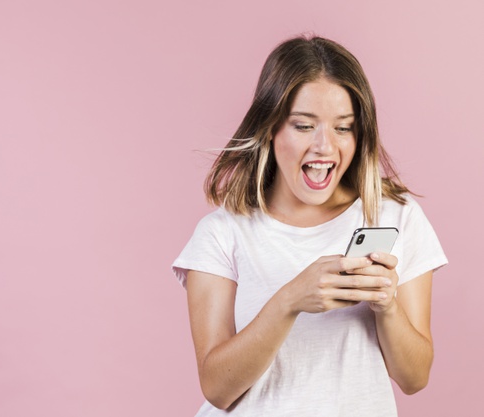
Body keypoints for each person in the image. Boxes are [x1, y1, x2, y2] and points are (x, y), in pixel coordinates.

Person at [172, 35, 447, 417]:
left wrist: (386, 305)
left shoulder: (396, 217)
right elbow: (217, 389)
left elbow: (415, 378)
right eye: (304, 126)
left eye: (343, 128)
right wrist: (289, 301)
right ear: (270, 127)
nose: (325, 147)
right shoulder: (222, 233)